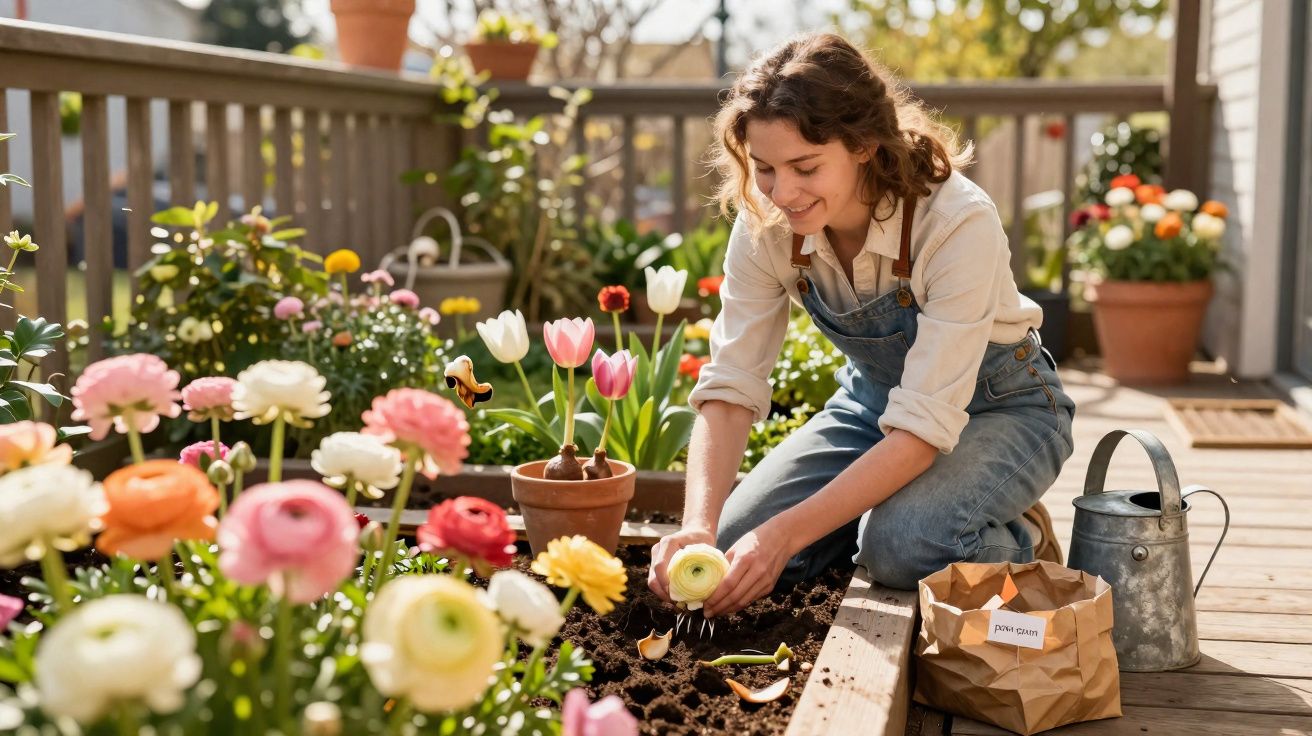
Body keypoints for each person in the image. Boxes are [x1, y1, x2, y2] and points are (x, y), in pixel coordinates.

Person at [648, 33, 1076, 619]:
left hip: (1003, 407)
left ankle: (1013, 538)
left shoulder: (955, 223)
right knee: (728, 548)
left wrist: (785, 536)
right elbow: (731, 384)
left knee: (901, 544)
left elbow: (924, 426)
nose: (783, 193)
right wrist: (697, 526)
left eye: (805, 167)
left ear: (864, 145)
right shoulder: (765, 224)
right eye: (765, 168)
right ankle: (916, 510)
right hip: (871, 407)